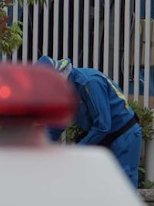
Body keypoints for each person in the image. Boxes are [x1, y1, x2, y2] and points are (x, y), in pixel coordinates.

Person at [36, 56, 143, 188]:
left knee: (124, 187)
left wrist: (77, 150)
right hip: (101, 138)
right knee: (96, 187)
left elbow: (103, 125)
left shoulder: (89, 82)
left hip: (124, 136)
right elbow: (55, 127)